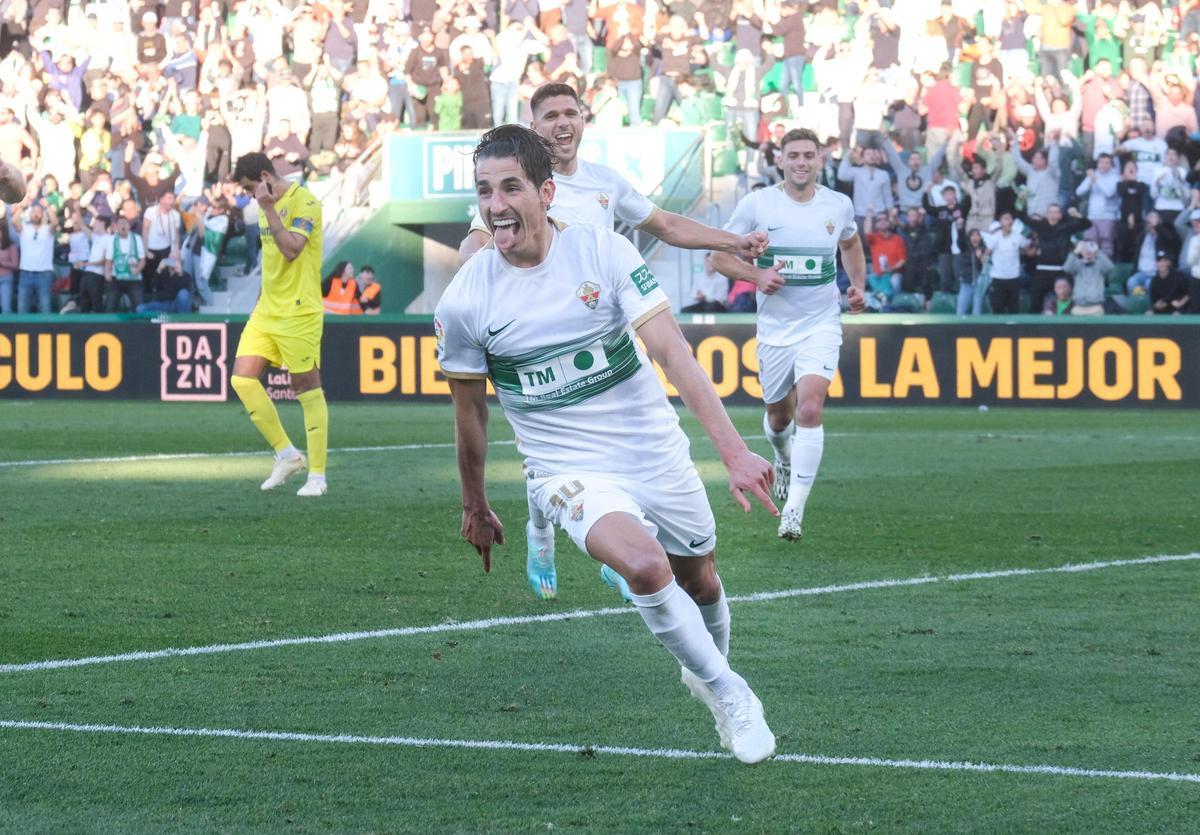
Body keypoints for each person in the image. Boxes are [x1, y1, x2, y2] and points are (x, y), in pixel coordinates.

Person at [436, 124, 778, 764]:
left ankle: (707, 672)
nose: (496, 205)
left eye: (510, 188)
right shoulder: (464, 300)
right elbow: (470, 415)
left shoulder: (604, 251)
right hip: (564, 468)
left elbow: (671, 351)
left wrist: (733, 451)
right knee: (644, 567)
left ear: (546, 192)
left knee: (701, 579)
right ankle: (731, 693)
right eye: (484, 191)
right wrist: (474, 504)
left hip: (652, 449)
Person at [458, 83, 767, 602]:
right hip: (544, 335)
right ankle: (541, 536)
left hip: (605, 332)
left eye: (570, 112)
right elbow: (478, 243)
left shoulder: (605, 182)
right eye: (550, 115)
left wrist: (732, 241)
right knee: (550, 446)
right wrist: (475, 283)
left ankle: (620, 546)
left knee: (630, 449)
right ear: (534, 127)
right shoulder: (515, 187)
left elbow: (665, 225)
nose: (562, 122)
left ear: (583, 120)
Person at [712, 128, 867, 542]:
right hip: (775, 332)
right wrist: (756, 275)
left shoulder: (838, 205)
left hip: (821, 324)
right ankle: (782, 456)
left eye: (808, 155)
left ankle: (793, 511)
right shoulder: (758, 204)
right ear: (779, 160)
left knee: (810, 409)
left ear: (820, 160)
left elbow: (851, 244)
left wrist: (857, 286)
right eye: (793, 155)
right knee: (779, 418)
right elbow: (718, 257)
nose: (801, 162)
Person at [230, 153, 328, 498]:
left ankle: (317, 476)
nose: (249, 195)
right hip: (267, 310)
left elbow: (290, 250)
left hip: (299, 311)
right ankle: (287, 455)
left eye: (248, 188)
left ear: (264, 176)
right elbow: (271, 260)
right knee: (242, 379)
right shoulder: (263, 204)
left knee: (306, 389)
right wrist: (259, 302)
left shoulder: (306, 204)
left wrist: (269, 208)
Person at [12, 197, 58, 313]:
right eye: (34, 212)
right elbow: (14, 221)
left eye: (39, 212)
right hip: (25, 274)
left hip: (44, 274)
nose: (36, 214)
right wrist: (22, 207)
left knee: (45, 309)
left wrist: (47, 207)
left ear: (43, 214)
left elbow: (55, 223)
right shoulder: (24, 228)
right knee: (22, 309)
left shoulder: (47, 230)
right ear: (30, 214)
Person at [103, 215, 146, 312]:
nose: (123, 226)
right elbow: (108, 260)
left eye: (125, 223)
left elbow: (142, 260)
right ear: (116, 227)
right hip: (116, 278)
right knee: (110, 307)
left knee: (139, 308)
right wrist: (107, 273)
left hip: (133, 278)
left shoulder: (137, 238)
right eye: (120, 224)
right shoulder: (111, 239)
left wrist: (137, 270)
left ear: (129, 226)